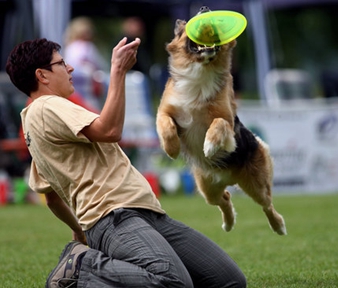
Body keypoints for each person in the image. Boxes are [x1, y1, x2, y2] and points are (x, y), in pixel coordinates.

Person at [5, 37, 246, 288]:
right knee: (173, 282)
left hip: (146, 213)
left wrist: (79, 230)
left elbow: (53, 197)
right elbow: (109, 130)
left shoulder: (37, 120)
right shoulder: (47, 106)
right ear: (42, 75)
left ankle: (84, 262)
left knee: (229, 281)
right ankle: (82, 267)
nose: (70, 68)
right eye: (61, 63)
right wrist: (118, 71)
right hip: (114, 217)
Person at [63, 17, 107, 111]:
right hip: (88, 90)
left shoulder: (69, 48)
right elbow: (100, 65)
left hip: (72, 90)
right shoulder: (88, 47)